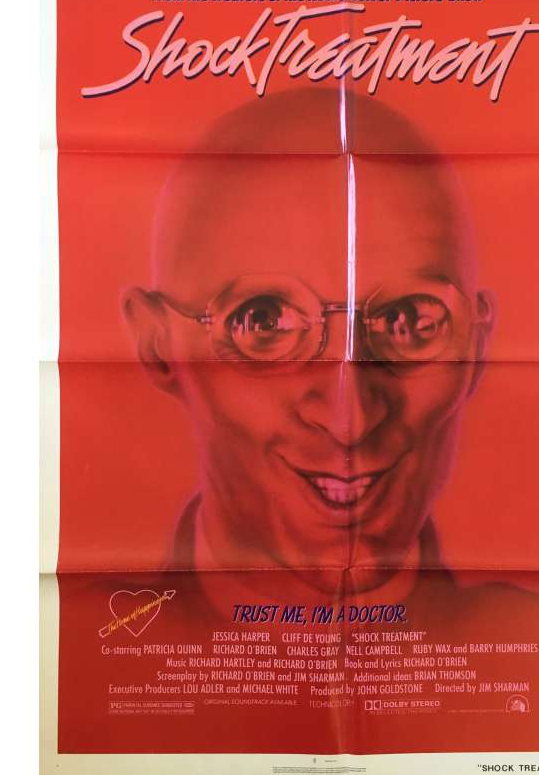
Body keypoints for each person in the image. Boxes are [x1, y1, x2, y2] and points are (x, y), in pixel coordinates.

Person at [122, 88, 495, 607]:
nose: (350, 421)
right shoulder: (79, 637)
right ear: (159, 345)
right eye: (264, 321)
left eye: (410, 320)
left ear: (476, 345)